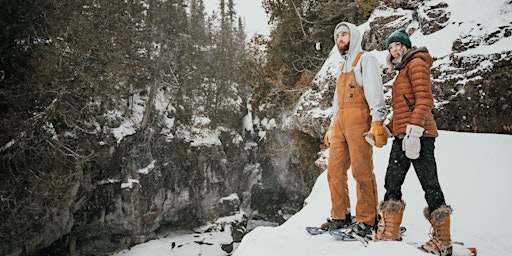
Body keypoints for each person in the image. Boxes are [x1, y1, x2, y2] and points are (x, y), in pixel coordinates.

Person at [373, 28, 453, 256]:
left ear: (406, 46)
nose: (394, 50)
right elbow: (403, 110)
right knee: (392, 181)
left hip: (421, 136)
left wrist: (415, 132)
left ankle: (443, 241)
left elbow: (425, 100)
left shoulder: (417, 63)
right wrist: (387, 130)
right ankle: (389, 232)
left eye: (397, 45)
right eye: (390, 47)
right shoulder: (402, 70)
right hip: (403, 137)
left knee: (430, 184)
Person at [320, 22, 388, 237]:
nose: (340, 38)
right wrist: (332, 125)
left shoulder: (365, 59)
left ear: (354, 36)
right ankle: (340, 216)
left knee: (362, 171)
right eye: (337, 35)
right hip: (340, 121)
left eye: (344, 34)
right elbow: (336, 102)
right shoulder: (342, 66)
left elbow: (375, 90)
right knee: (334, 171)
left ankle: (368, 220)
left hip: (359, 118)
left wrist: (377, 120)